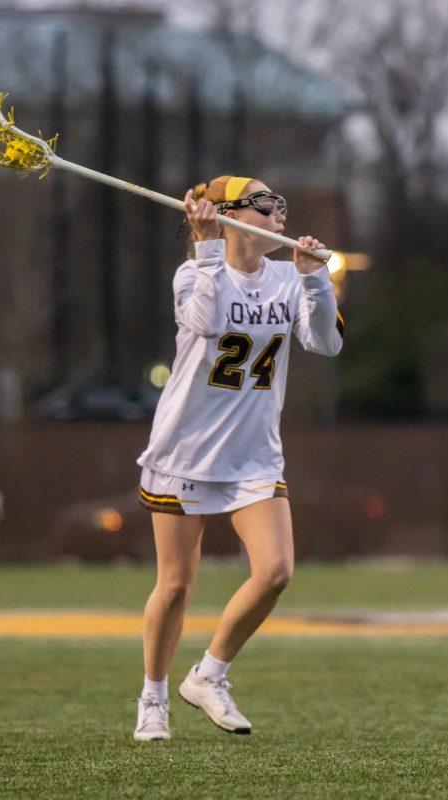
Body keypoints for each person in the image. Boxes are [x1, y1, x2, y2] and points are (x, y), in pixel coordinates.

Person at [132, 175, 343, 741]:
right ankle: (153, 697)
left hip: (253, 458)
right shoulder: (192, 272)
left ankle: (209, 675)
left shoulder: (287, 277)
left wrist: (315, 279)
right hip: (187, 450)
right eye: (266, 206)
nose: (281, 215)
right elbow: (207, 321)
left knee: (275, 571)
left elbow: (326, 343)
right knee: (175, 585)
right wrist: (204, 249)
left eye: (282, 204)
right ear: (230, 218)